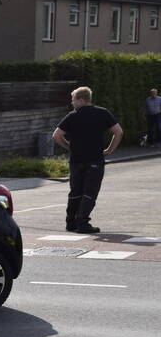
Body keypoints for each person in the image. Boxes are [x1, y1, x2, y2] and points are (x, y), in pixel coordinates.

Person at [52, 86, 123, 234]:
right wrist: (109, 150)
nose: (72, 103)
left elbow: (56, 135)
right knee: (90, 191)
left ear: (82, 100)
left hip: (76, 160)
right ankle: (83, 223)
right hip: (95, 159)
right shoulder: (103, 113)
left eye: (73, 100)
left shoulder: (72, 116)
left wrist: (69, 147)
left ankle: (71, 222)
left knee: (75, 191)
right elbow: (118, 132)